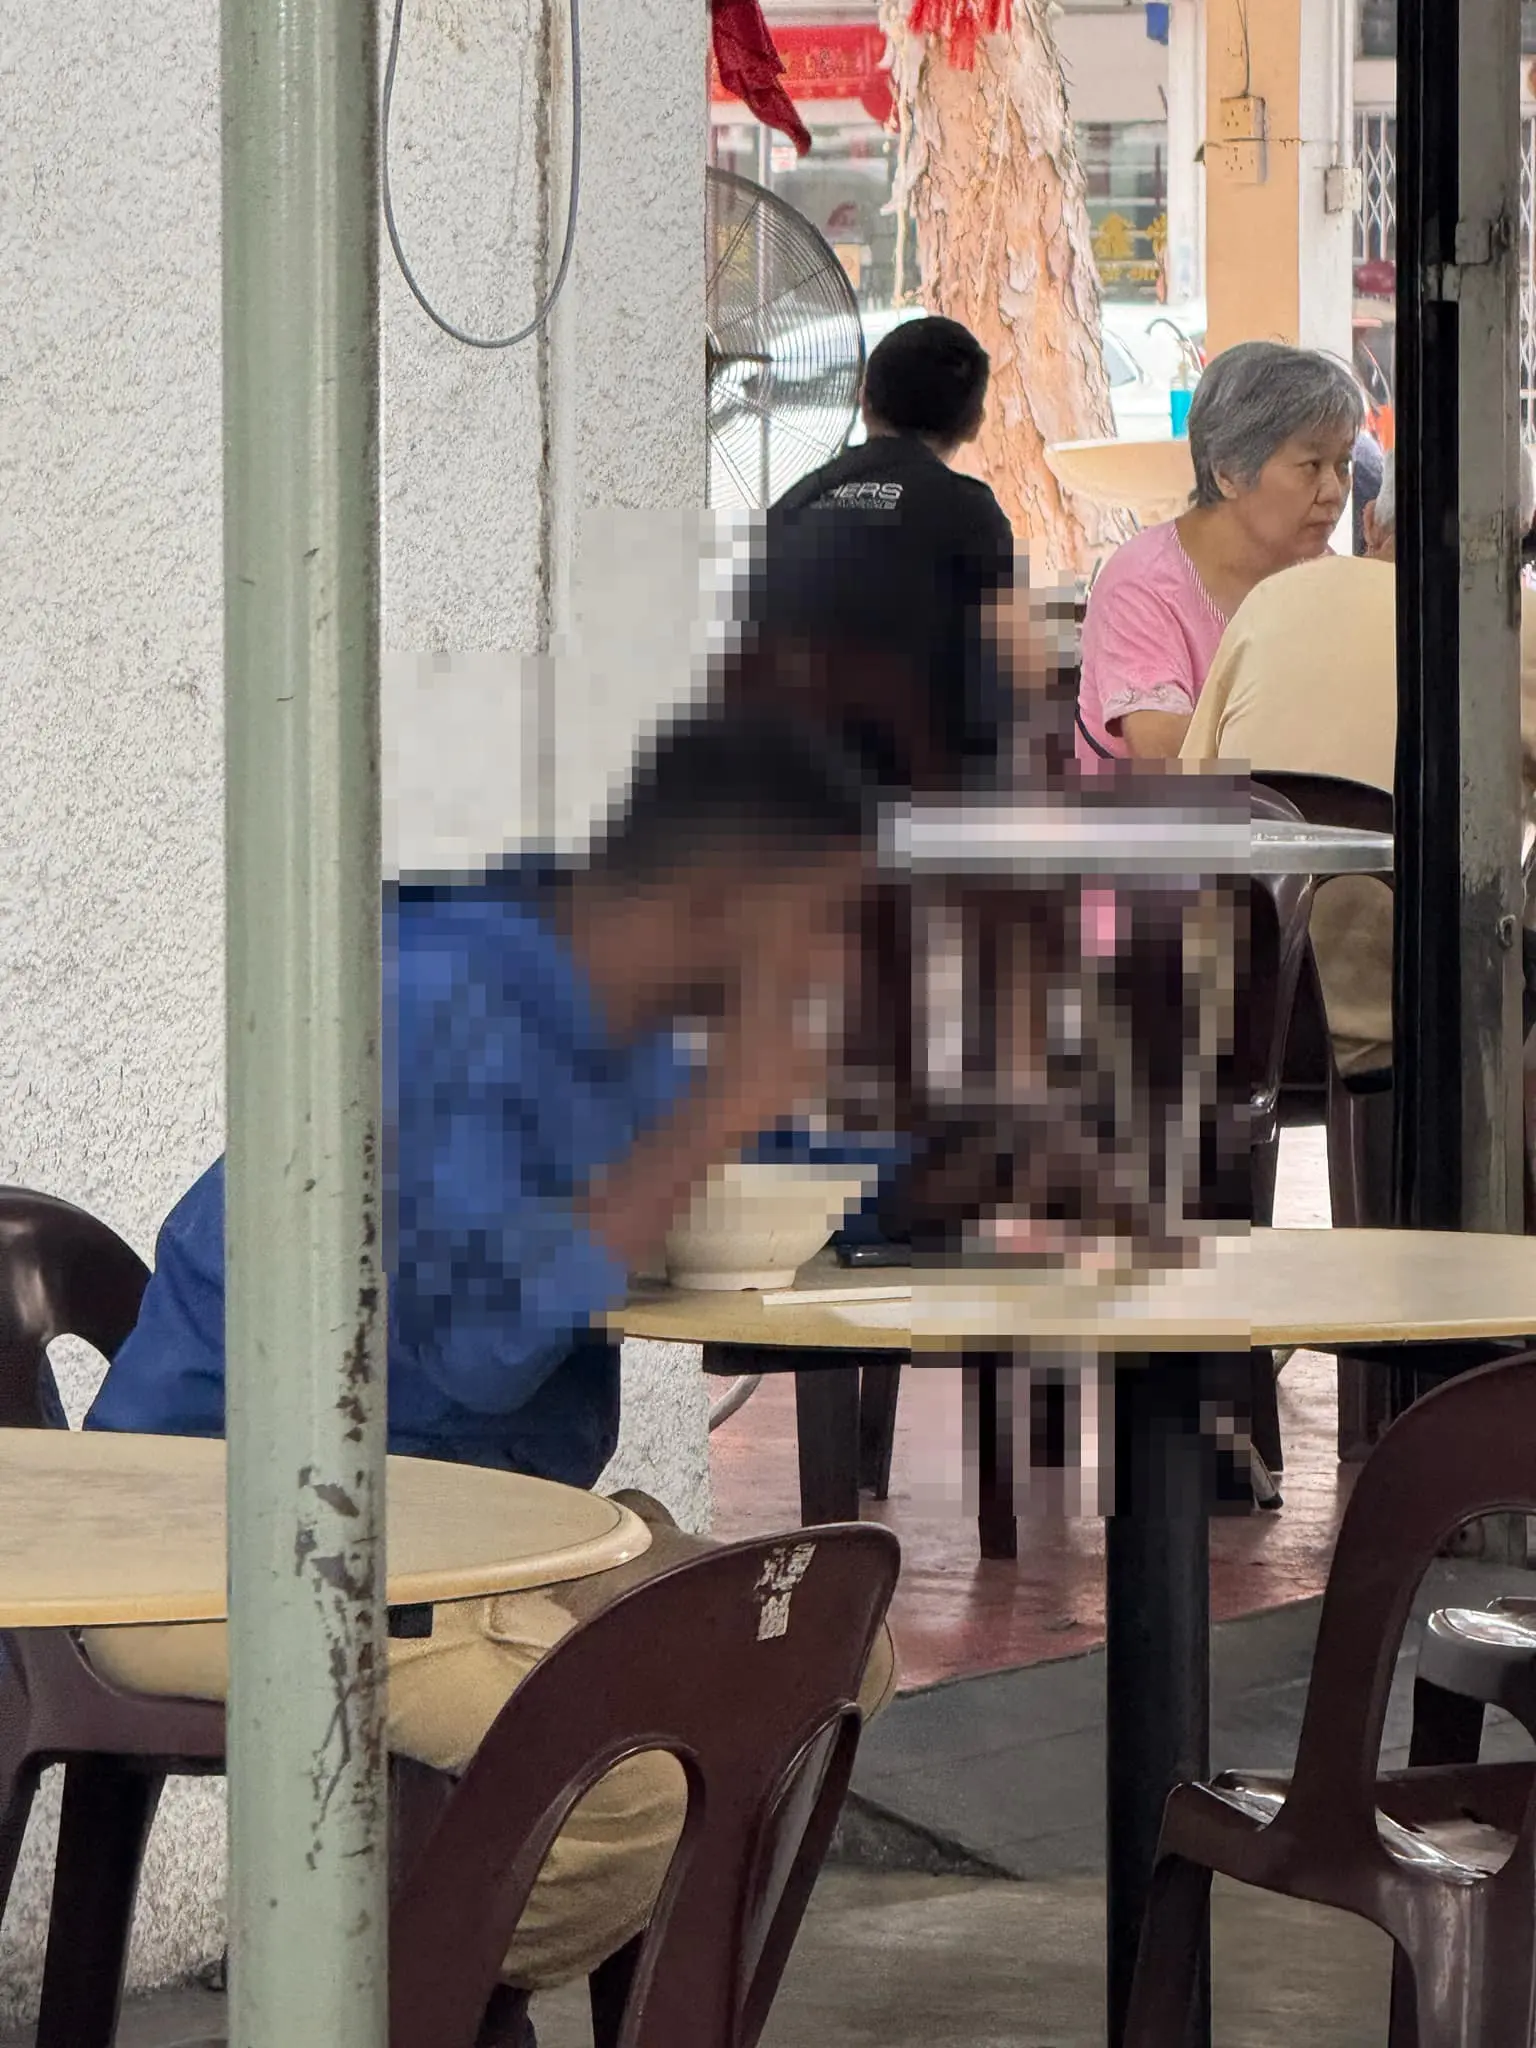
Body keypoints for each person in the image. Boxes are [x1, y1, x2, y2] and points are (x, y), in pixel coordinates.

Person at [82, 704, 897, 1996]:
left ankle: (422, 1969)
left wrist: (949, 1165)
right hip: (248, 1534)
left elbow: (767, 1173)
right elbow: (478, 1350)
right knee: (629, 1773)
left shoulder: (613, 1022)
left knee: (823, 1646)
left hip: (476, 1526)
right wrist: (718, 1118)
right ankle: (356, 2003)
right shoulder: (440, 1005)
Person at [1180, 450, 1536, 1078]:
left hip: (1238, 1012)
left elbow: (1190, 796)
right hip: (1424, 1020)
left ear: (1372, 522)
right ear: (1519, 543)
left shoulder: (1272, 601)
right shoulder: (1514, 629)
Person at [726, 313, 1017, 795]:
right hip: (898, 819)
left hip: (768, 810)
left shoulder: (792, 505)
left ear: (864, 399)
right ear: (973, 424)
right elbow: (995, 692)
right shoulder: (971, 517)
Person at [1076, 341, 1364, 767]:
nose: (1334, 491)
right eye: (1311, 466)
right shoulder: (1142, 586)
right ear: (1227, 473)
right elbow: (1166, 758)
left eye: (1343, 465)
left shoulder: (1318, 577)